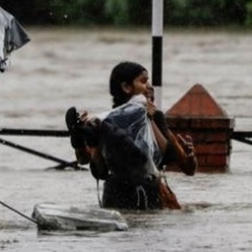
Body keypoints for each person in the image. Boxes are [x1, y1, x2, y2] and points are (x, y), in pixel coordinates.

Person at [65, 61, 197, 210]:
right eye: (143, 81)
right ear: (126, 87)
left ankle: (83, 133)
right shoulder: (108, 121)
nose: (149, 86)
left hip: (139, 194)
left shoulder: (154, 118)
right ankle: (82, 134)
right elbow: (91, 165)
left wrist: (190, 155)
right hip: (127, 195)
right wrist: (82, 140)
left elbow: (187, 167)